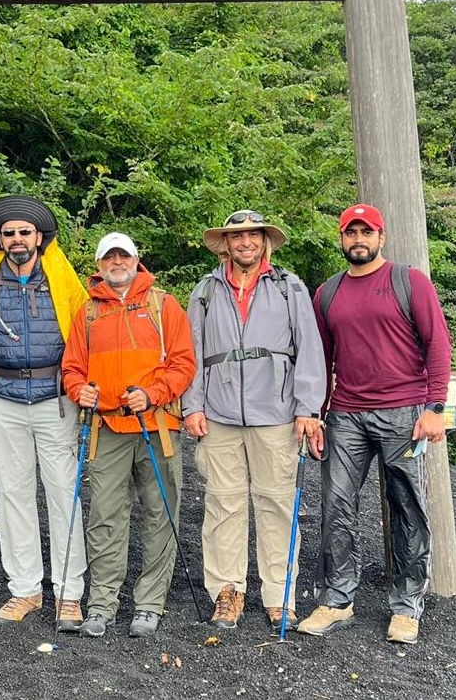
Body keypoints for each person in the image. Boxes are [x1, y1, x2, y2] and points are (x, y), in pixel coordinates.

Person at [297, 204, 451, 645]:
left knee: (406, 506)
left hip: (405, 411)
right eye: (351, 232)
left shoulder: (408, 281)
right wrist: (317, 412)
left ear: (381, 237)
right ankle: (337, 598)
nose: (358, 239)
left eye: (367, 231)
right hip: (345, 412)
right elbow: (319, 360)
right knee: (335, 505)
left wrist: (435, 408)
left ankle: (406, 606)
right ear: (342, 238)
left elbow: (438, 344)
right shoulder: (327, 293)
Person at [182, 210, 326, 633]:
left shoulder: (288, 287)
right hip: (220, 416)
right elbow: (191, 350)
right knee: (222, 505)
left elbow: (310, 348)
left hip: (278, 415)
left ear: (264, 242)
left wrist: (308, 408)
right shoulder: (205, 290)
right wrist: (191, 406)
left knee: (278, 505)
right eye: (237, 236)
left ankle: (279, 594)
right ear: (225, 244)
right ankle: (227, 592)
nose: (245, 242)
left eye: (253, 236)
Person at [0, 195, 88, 627]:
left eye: (24, 232)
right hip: (5, 398)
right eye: (9, 233)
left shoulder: (59, 274)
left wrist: (80, 383)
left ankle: (69, 592)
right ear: (0, 239)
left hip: (56, 399)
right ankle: (25, 588)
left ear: (39, 237)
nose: (17, 239)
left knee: (61, 493)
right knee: (13, 494)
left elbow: (84, 325)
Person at [62, 232, 196, 638]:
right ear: (100, 265)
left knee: (161, 515)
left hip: (157, 426)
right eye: (109, 257)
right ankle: (101, 605)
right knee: (104, 517)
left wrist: (153, 393)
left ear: (137, 260)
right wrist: (77, 389)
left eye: (124, 256)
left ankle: (150, 604)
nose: (117, 262)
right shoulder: (86, 313)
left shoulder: (163, 305)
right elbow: (72, 368)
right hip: (107, 429)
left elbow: (184, 363)